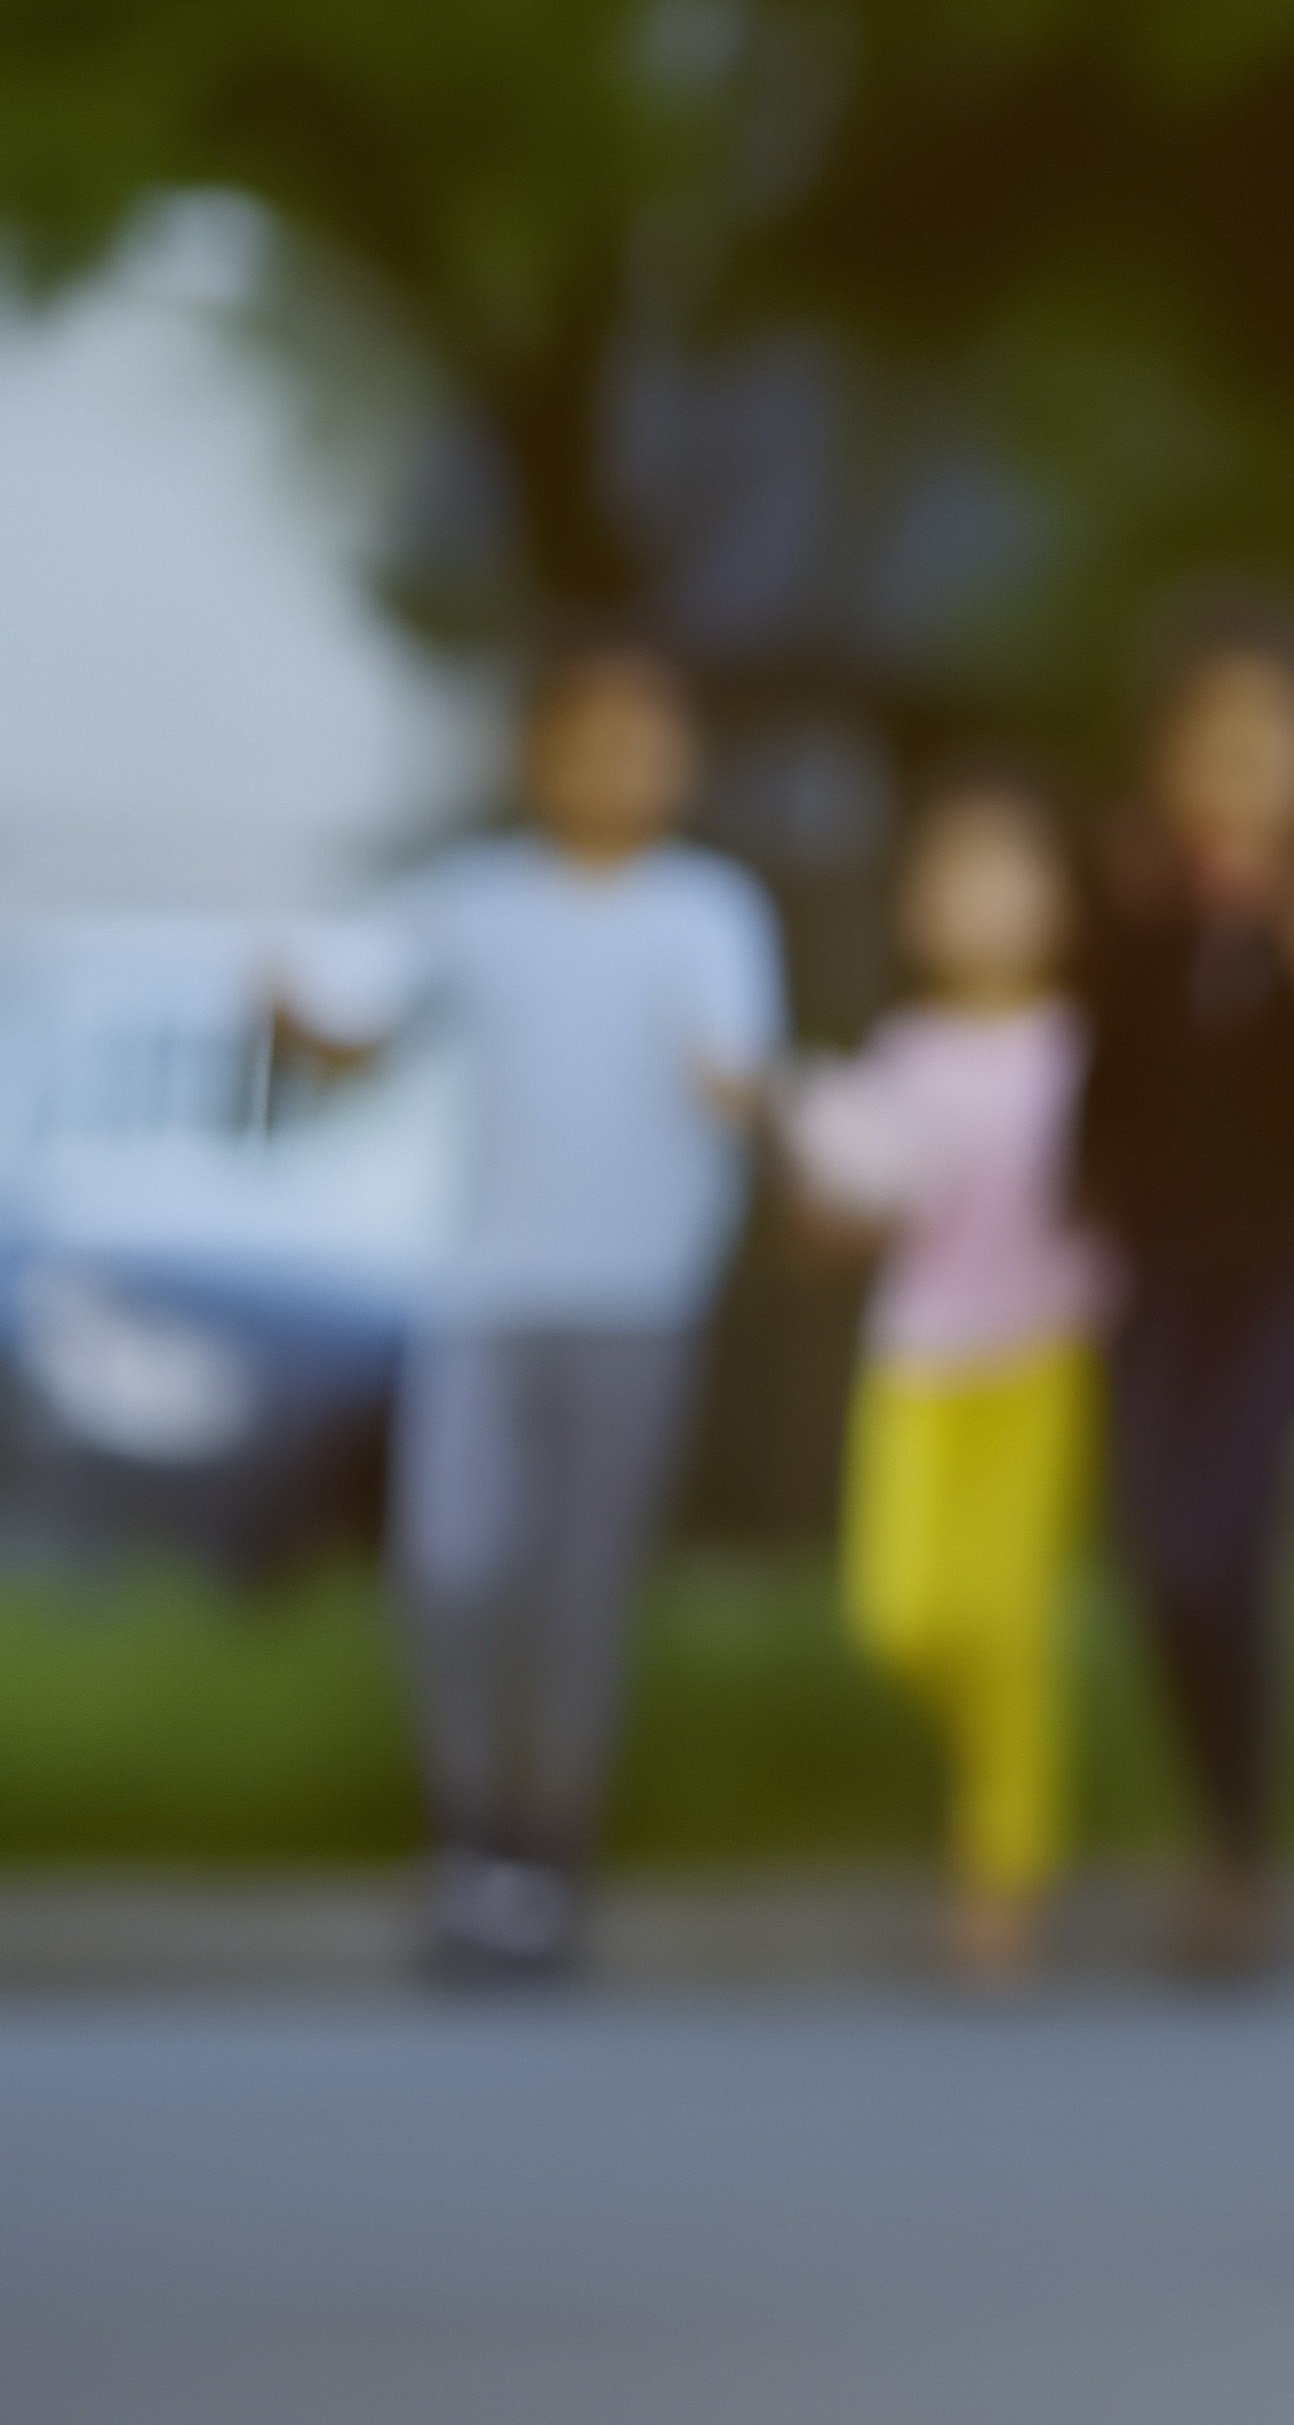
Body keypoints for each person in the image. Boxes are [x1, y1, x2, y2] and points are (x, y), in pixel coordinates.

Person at [276, 631, 785, 1985]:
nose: (617, 765)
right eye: (589, 737)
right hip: (488, 1295)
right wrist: (294, 1025)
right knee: (451, 1563)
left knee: (580, 1586)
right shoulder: (475, 901)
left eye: (645, 740)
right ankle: (469, 1839)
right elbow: (365, 1041)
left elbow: (739, 1075)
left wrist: (765, 1103)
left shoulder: (708, 910)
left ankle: (549, 1858)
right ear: (537, 754)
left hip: (638, 1299)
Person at [1069, 599, 1294, 1979]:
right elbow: (1101, 1090)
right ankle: (1219, 1821)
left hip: (1291, 1272)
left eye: (1271, 743)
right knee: (1161, 1544)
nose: (1241, 769)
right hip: (1159, 1274)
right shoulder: (1140, 911)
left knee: (1227, 1536)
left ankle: (1242, 1850)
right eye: (1214, 743)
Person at [782, 772, 1103, 1991]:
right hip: (919, 1359)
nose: (979, 902)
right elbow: (859, 1205)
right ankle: (988, 1785)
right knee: (902, 1610)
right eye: (953, 878)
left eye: (1006, 875)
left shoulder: (1080, 1051)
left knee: (1008, 1622)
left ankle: (1003, 1864)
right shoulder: (900, 1056)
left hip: (1042, 1356)